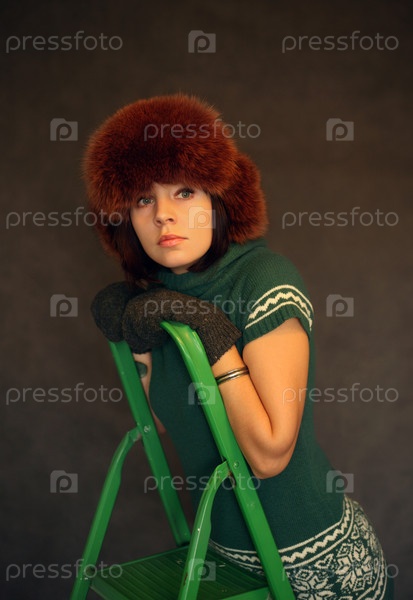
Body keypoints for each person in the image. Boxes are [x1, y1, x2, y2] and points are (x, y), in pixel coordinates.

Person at [84, 94, 393, 599]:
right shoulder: (165, 293)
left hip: (314, 564)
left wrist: (211, 333)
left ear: (219, 200)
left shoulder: (264, 280)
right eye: (143, 199)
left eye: (184, 192)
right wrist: (135, 337)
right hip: (224, 562)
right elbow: (161, 422)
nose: (163, 215)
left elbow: (270, 455)